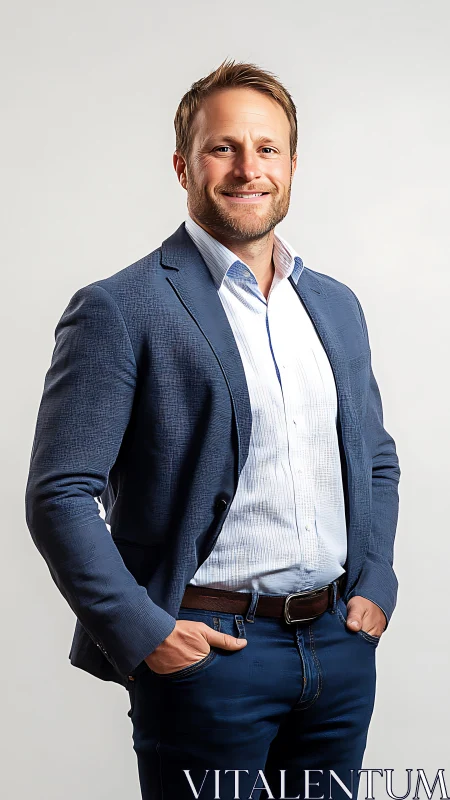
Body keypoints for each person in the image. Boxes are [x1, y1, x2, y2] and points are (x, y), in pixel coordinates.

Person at [25, 59, 401, 800]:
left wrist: (377, 580)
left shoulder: (333, 304)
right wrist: (144, 631)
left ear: (292, 164)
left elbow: (375, 459)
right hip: (211, 652)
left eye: (267, 148)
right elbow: (61, 494)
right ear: (183, 164)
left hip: (339, 645)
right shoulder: (122, 307)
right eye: (222, 146)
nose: (246, 168)